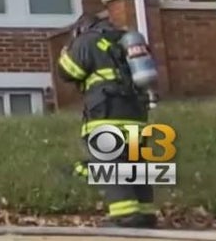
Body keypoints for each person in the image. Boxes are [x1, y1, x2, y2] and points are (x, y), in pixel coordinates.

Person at [56, 12, 157, 228]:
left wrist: (66, 52)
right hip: (136, 114)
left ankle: (125, 214)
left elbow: (68, 72)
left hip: (107, 112)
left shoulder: (88, 40)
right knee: (135, 161)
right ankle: (146, 212)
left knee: (109, 160)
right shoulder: (124, 39)